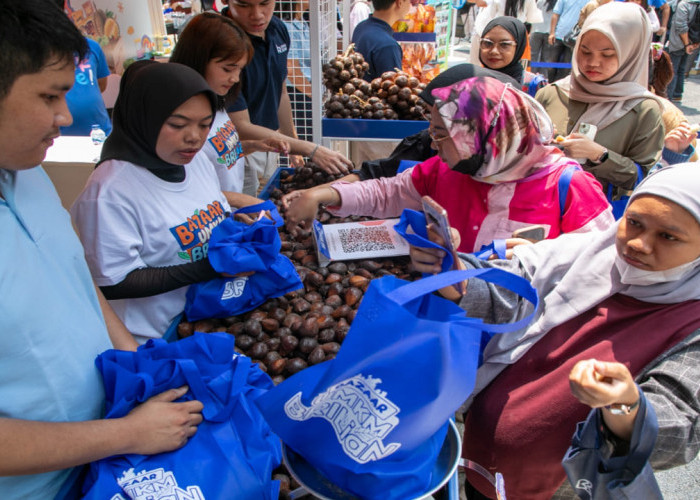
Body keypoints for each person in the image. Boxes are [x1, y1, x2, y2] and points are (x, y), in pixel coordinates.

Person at [0, 2, 203, 498]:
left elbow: (78, 277)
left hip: (106, 457)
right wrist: (127, 434)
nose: (65, 116)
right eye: (50, 96)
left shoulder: (29, 174)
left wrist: (134, 359)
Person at [409, 162, 700, 499]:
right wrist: (453, 273)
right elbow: (508, 290)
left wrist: (624, 404)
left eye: (668, 236)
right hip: (482, 463)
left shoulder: (690, 322)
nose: (639, 244)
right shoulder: (585, 253)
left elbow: (682, 426)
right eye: (634, 222)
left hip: (564, 488)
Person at [283, 76, 614, 252]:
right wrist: (320, 195)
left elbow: (597, 266)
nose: (432, 143)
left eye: (442, 134)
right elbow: (385, 194)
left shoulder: (570, 188)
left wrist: (535, 262)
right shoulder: (446, 170)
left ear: (480, 137)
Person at [71, 61, 232, 344]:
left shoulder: (196, 162)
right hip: (153, 340)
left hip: (204, 318)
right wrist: (210, 267)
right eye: (177, 124)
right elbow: (114, 281)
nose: (194, 137)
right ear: (144, 118)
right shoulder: (108, 194)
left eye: (204, 125)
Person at [222, 0, 352, 195]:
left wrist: (293, 145)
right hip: (238, 150)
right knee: (246, 212)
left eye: (264, 3)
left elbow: (281, 92)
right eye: (244, 5)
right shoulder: (221, 41)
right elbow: (240, 126)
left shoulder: (277, 29)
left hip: (270, 143)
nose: (257, 14)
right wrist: (310, 149)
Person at [536, 2, 665, 198]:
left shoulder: (644, 110)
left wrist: (600, 155)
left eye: (607, 54)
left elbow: (643, 178)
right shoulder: (552, 93)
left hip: (599, 219)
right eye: (585, 51)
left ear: (631, 53)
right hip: (540, 208)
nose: (593, 62)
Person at [169, 12, 284, 206]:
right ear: (199, 58)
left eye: (239, 69)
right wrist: (244, 202)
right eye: (227, 69)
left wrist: (251, 146)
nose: (235, 78)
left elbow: (218, 158)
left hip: (227, 214)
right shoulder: (178, 119)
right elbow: (187, 187)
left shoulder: (217, 101)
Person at [478, 16, 549, 95]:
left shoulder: (534, 85)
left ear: (518, 47)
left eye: (504, 45)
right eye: (488, 43)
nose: (494, 51)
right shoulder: (471, 79)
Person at [351, 0, 412, 81]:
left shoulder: (361, 27)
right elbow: (394, 89)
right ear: (399, 3)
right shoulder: (388, 46)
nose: (410, 5)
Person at [469, 0, 544, 66]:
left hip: (494, 32)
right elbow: (532, 17)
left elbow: (486, 9)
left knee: (484, 64)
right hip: (516, 35)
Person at [279, 0, 314, 142]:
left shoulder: (302, 24)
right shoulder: (288, 28)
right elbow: (291, 71)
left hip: (305, 93)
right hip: (297, 96)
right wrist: (314, 96)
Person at [666, 0, 700, 103]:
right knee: (681, 69)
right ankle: (677, 94)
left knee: (673, 69)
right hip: (692, 42)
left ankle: (668, 96)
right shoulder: (696, 3)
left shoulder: (684, 4)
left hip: (680, 42)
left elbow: (681, 26)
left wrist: (687, 44)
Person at [547, 0, 589, 81]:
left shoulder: (589, 1)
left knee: (566, 67)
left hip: (573, 38)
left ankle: (559, 86)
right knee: (550, 65)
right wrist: (552, 32)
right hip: (559, 35)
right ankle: (550, 84)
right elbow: (555, 14)